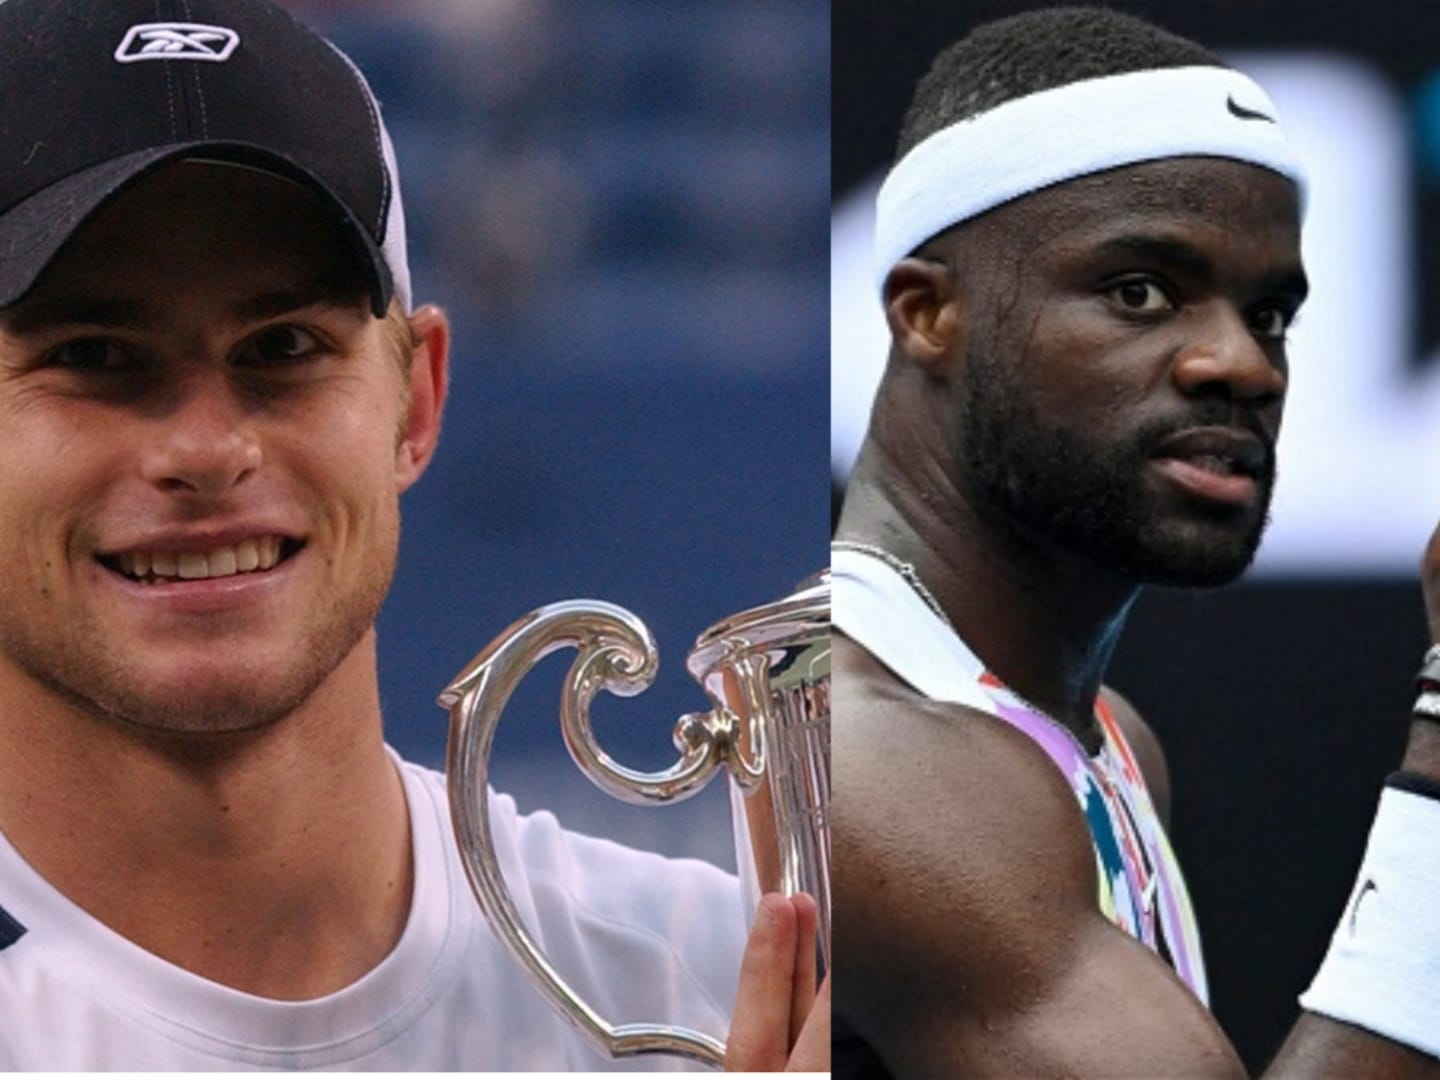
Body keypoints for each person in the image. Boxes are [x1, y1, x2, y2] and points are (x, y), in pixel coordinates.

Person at [0, 0, 828, 1071]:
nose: (205, 449)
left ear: (418, 402)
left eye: (284, 345)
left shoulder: (726, 989)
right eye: (98, 356)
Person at [833, 5, 1440, 1075]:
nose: (1241, 365)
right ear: (929, 315)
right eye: (1140, 291)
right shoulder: (875, 760)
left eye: (1270, 314)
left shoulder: (1107, 742)